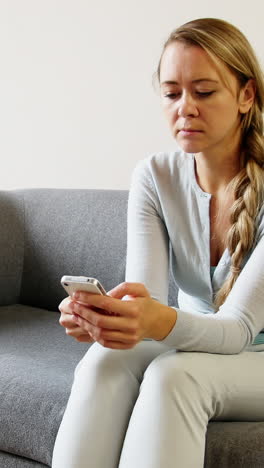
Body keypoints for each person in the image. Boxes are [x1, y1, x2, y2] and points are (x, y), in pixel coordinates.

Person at [52, 17, 264, 468]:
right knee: (103, 361)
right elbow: (141, 298)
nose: (184, 108)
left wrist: (154, 320)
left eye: (204, 92)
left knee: (175, 376)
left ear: (246, 95)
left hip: (254, 352)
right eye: (171, 94)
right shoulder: (155, 176)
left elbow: (240, 330)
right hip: (201, 339)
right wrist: (107, 318)